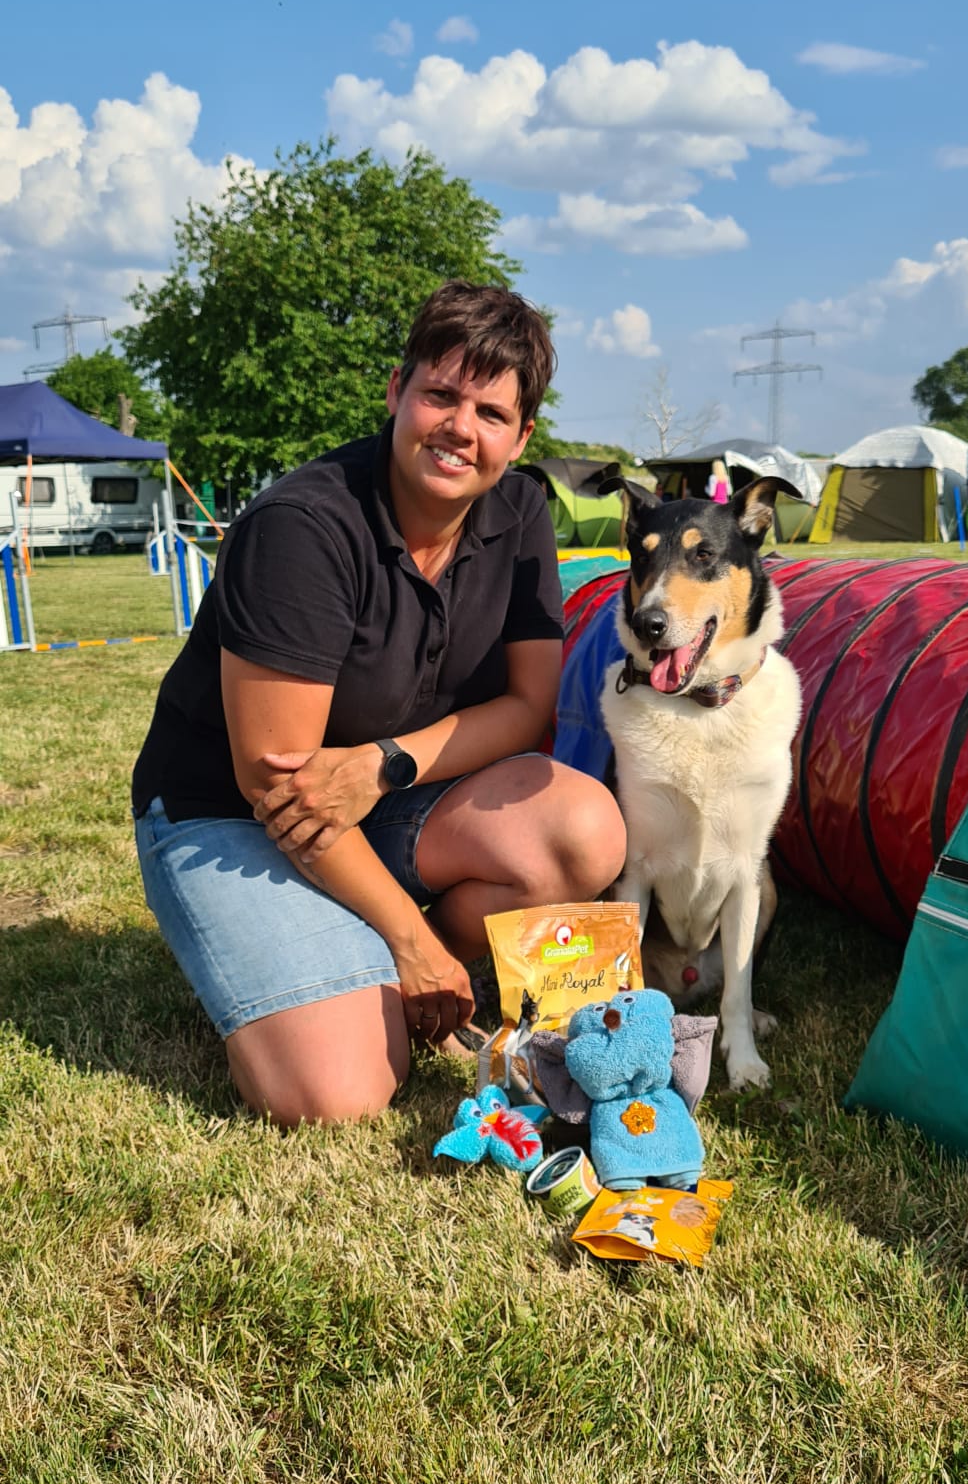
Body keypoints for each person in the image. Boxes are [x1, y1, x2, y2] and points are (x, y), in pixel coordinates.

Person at [133, 281, 627, 1126]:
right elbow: (277, 785)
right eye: (440, 394)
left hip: (384, 795)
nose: (460, 428)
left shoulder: (522, 512)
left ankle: (357, 957)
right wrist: (411, 938)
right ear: (398, 391)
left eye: (491, 412)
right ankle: (347, 958)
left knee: (585, 830)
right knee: (338, 1094)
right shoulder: (302, 525)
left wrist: (383, 764)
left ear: (522, 435)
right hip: (231, 817)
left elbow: (529, 706)